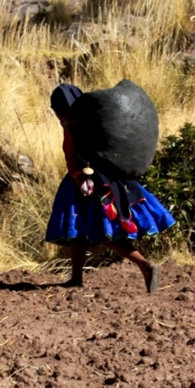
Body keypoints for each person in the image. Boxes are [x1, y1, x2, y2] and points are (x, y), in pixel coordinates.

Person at [45, 83, 175, 293]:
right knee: (76, 231)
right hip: (106, 177)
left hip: (86, 183)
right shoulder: (94, 119)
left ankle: (145, 264)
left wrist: (79, 181)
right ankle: (76, 278)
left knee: (100, 232)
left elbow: (72, 158)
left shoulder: (72, 126)